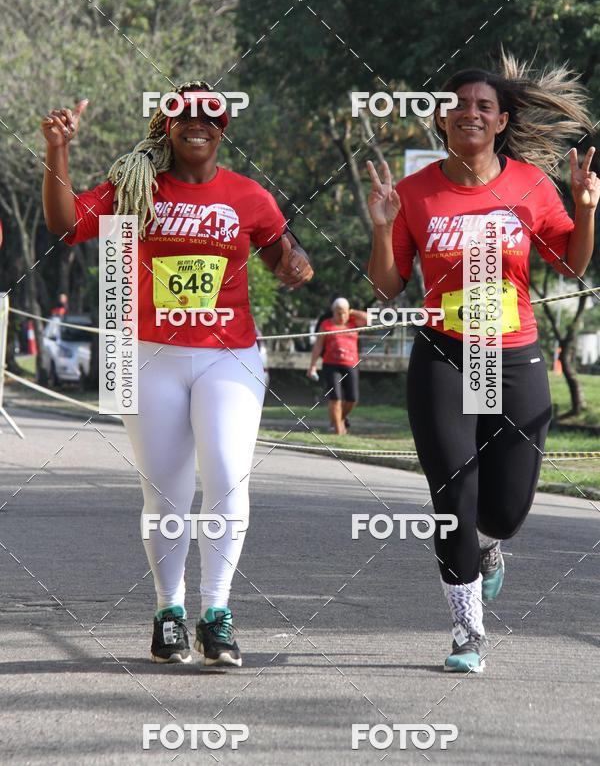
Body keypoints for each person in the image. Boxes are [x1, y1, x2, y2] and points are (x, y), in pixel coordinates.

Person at [42, 82, 313, 667]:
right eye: (183, 114)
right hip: (152, 356)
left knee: (226, 479)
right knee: (166, 494)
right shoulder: (137, 188)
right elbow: (68, 225)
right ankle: (170, 611)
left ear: (224, 131)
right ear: (166, 127)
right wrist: (58, 150)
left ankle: (217, 613)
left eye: (210, 116)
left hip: (228, 357)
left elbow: (281, 251)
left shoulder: (248, 195)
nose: (197, 123)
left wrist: (296, 263)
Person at [367, 54, 598, 673]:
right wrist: (381, 227)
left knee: (504, 509)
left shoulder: (528, 185)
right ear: (443, 119)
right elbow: (387, 285)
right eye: (460, 104)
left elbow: (570, 266)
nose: (470, 112)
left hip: (513, 353)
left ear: (500, 122)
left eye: (483, 106)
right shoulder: (416, 192)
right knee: (453, 496)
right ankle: (467, 630)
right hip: (445, 353)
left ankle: (491, 546)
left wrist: (585, 208)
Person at [307, 297, 368, 434]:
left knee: (352, 398)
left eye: (344, 312)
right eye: (338, 312)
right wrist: (312, 366)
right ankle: (339, 431)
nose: (341, 316)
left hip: (350, 364)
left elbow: (369, 319)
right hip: (331, 364)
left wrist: (351, 311)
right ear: (333, 312)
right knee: (335, 398)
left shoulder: (354, 323)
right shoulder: (326, 325)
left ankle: (340, 419)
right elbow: (318, 346)